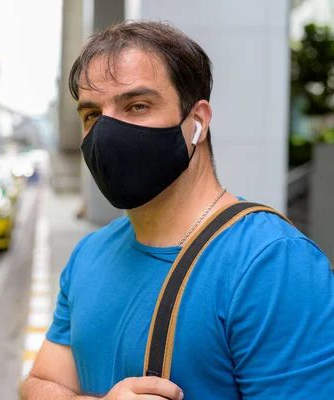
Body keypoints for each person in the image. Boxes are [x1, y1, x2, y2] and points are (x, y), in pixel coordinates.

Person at [20, 20, 334, 400]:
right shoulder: (90, 253)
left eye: (137, 105)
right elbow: (38, 384)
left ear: (198, 122)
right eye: (92, 115)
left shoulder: (273, 263)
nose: (106, 132)